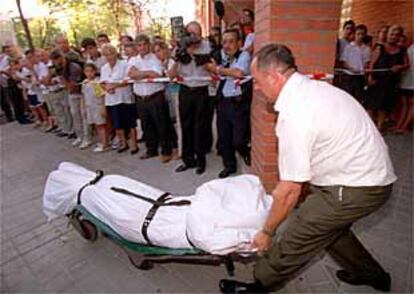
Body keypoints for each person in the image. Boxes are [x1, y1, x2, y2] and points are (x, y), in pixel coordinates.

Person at [220, 44, 397, 293]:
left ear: (274, 76)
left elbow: (290, 190)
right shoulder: (313, 89)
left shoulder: (295, 113)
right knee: (329, 228)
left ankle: (259, 283)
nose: (256, 88)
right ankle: (373, 276)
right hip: (368, 177)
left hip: (359, 186)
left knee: (304, 228)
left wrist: (267, 231)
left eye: (258, 81)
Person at [205, 29, 252, 178]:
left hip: (238, 104)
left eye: (231, 41)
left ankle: (245, 150)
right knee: (224, 138)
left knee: (238, 140)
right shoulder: (221, 57)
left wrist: (217, 69)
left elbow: (239, 73)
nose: (227, 45)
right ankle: (229, 166)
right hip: (222, 102)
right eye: (224, 42)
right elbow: (216, 75)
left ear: (239, 43)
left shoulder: (244, 55)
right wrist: (213, 73)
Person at [168, 21, 212, 175]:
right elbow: (170, 75)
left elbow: (213, 69)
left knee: (200, 127)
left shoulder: (207, 46)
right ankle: (188, 160)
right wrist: (178, 56)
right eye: (190, 34)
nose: (193, 37)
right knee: (185, 126)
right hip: (185, 90)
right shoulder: (179, 48)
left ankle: (201, 161)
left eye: (196, 33)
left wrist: (194, 53)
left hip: (201, 91)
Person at [128, 33, 175, 162]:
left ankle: (167, 151)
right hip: (140, 97)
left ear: (148, 45)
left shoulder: (155, 57)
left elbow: (156, 74)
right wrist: (146, 73)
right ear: (136, 47)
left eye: (144, 44)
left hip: (155, 96)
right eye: (139, 45)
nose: (142, 47)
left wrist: (141, 73)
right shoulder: (133, 60)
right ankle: (151, 149)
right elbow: (131, 74)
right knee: (146, 125)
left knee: (162, 124)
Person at [365, 25, 409, 132]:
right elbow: (372, 64)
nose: (393, 37)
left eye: (396, 35)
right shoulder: (380, 47)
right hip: (377, 80)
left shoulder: (402, 50)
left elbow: (406, 64)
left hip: (390, 82)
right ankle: (370, 127)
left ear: (399, 37)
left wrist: (400, 67)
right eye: (392, 34)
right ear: (387, 34)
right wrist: (370, 77)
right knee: (371, 104)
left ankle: (380, 127)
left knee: (384, 105)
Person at [100, 44, 138, 154]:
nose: (109, 57)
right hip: (112, 99)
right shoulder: (104, 68)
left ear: (115, 53)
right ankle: (123, 143)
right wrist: (107, 88)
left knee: (130, 122)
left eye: (110, 54)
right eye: (106, 55)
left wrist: (114, 86)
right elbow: (102, 82)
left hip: (125, 97)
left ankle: (134, 144)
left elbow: (127, 80)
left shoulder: (124, 64)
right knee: (117, 123)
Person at [50, 49, 86, 146]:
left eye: (56, 60)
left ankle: (86, 137)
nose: (55, 63)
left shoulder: (73, 67)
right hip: (71, 93)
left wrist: (63, 80)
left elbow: (72, 85)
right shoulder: (61, 68)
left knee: (82, 116)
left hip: (80, 92)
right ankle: (80, 136)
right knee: (75, 115)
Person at [340, 24, 371, 103]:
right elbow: (343, 61)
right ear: (354, 34)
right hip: (349, 77)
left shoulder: (367, 49)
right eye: (358, 34)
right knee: (346, 98)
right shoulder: (349, 47)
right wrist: (351, 68)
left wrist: (363, 69)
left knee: (357, 99)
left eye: (362, 34)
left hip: (359, 77)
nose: (360, 36)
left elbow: (367, 63)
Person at [81, 63, 108, 152]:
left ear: (95, 72)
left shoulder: (97, 83)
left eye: (91, 71)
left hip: (97, 106)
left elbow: (102, 95)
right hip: (89, 106)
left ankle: (104, 144)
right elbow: (83, 96)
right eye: (86, 71)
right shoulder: (85, 83)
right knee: (96, 125)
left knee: (101, 125)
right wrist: (84, 107)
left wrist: (103, 107)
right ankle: (101, 141)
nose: (89, 73)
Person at [393, 43, 413, 133]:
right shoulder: (409, 47)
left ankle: (404, 126)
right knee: (404, 104)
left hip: (411, 81)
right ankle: (399, 125)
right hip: (405, 79)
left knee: (412, 104)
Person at [333, 20, 355, 87]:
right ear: (343, 29)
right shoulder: (339, 42)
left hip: (351, 73)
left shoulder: (353, 44)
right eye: (347, 28)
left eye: (351, 29)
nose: (349, 31)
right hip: (341, 72)